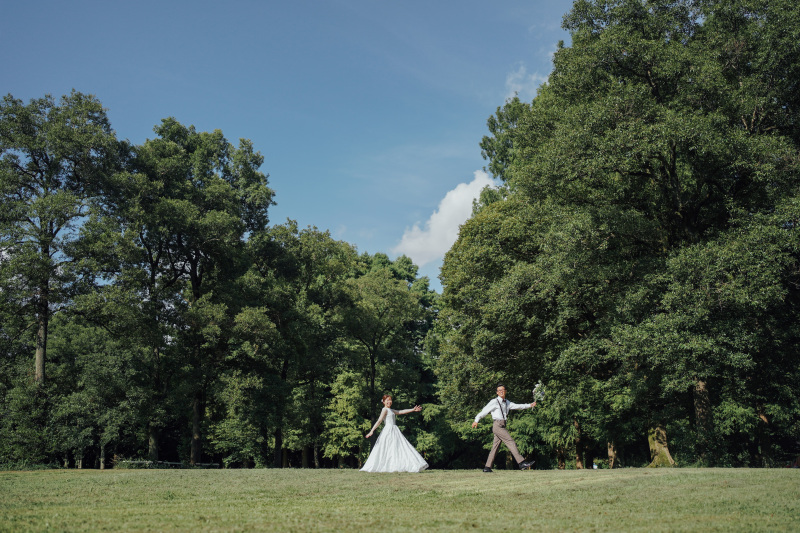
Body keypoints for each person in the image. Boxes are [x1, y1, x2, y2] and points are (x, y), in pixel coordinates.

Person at [472, 384, 536, 472]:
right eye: (499, 390)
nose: (501, 391)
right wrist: (476, 420)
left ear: (505, 391)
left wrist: (530, 405)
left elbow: (518, 406)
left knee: (495, 447)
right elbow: (484, 411)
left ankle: (487, 467)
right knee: (510, 441)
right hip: (497, 425)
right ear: (497, 393)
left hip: (502, 425)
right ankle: (521, 462)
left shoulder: (507, 402)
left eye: (502, 390)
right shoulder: (494, 401)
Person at [361, 394, 429, 473]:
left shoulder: (391, 410)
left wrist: (413, 409)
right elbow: (379, 421)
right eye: (387, 400)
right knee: (387, 447)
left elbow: (401, 412)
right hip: (388, 430)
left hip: (394, 430)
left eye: (390, 400)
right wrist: (372, 431)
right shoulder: (384, 410)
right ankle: (387, 466)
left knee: (397, 447)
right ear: (383, 402)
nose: (389, 401)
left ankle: (395, 466)